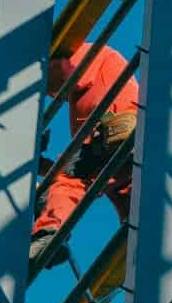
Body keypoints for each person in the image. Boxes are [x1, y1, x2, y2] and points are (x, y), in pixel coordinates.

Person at [29, 41, 140, 269]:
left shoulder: (81, 58)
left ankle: (49, 232)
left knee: (67, 182)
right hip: (124, 152)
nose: (52, 94)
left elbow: (75, 171)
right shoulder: (92, 77)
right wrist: (38, 166)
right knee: (142, 224)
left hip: (115, 130)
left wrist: (25, 127)